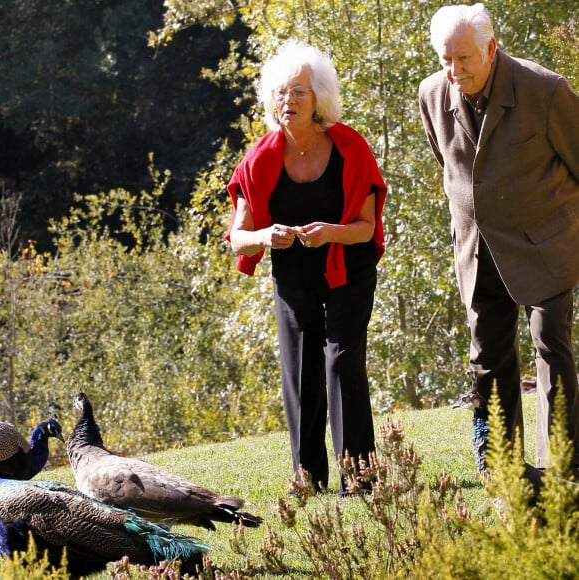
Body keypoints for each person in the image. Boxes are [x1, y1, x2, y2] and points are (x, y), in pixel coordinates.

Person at [419, 3, 579, 477]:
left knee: (550, 342)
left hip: (545, 243)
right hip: (477, 248)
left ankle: (565, 468)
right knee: (488, 356)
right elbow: (451, 166)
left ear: (491, 49)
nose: (454, 70)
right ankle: (503, 472)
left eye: (464, 59)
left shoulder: (544, 90)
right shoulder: (431, 93)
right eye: (446, 59)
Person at [226, 40, 387, 495]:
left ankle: (360, 479)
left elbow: (366, 229)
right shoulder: (259, 159)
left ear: (319, 98)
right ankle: (309, 479)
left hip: (348, 265)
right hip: (293, 273)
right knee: (302, 371)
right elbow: (239, 235)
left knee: (340, 363)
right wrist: (265, 236)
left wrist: (330, 231)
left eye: (298, 91)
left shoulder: (351, 148)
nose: (287, 101)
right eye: (280, 92)